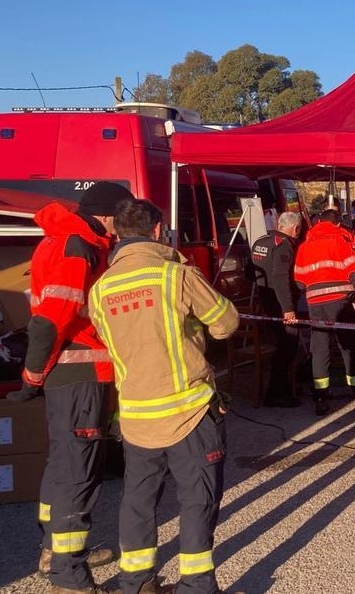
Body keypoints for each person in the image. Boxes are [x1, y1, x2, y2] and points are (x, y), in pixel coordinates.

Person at [87, 199, 238, 594]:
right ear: (157, 231)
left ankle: (136, 582)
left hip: (136, 416)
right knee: (197, 500)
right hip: (189, 411)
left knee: (138, 501)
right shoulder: (176, 276)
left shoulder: (101, 289)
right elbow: (225, 323)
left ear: (118, 234)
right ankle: (197, 586)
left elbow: (116, 341)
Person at [10, 183, 131, 591]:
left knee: (63, 465)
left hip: (71, 374)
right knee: (79, 473)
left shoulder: (70, 241)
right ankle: (69, 572)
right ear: (108, 214)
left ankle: (52, 552)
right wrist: (32, 374)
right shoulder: (77, 249)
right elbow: (50, 320)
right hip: (81, 374)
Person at [294, 209, 355, 415]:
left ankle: (321, 399)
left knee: (319, 350)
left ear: (318, 222)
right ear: (338, 224)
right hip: (340, 301)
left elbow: (300, 281)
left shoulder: (304, 246)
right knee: (349, 348)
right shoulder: (341, 241)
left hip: (315, 303)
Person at [245, 211, 304, 408]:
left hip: (266, 302)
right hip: (279, 305)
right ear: (295, 229)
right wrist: (288, 308)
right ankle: (277, 392)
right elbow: (281, 278)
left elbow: (249, 272)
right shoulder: (284, 246)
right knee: (288, 346)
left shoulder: (261, 240)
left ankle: (285, 386)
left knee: (282, 345)